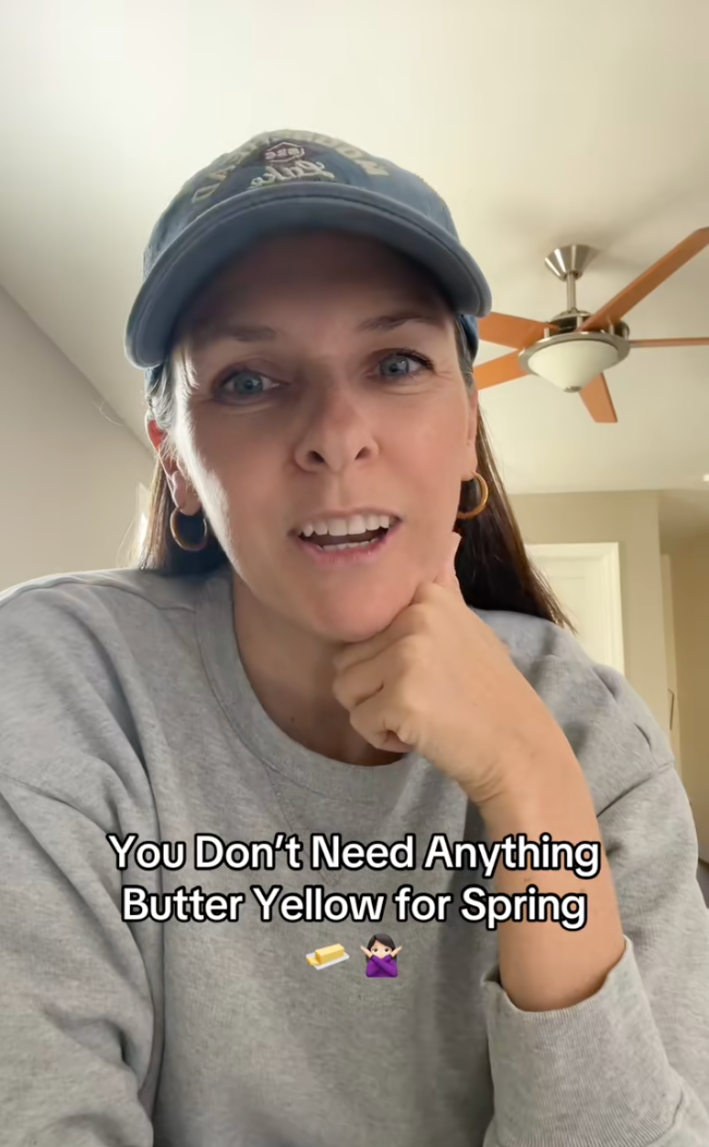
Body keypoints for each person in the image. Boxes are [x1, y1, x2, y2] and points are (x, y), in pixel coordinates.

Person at [0, 128, 707, 1147]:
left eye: (394, 361)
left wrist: (533, 789)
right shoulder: (56, 687)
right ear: (178, 465)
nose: (337, 432)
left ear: (468, 429)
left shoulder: (593, 738)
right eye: (247, 379)